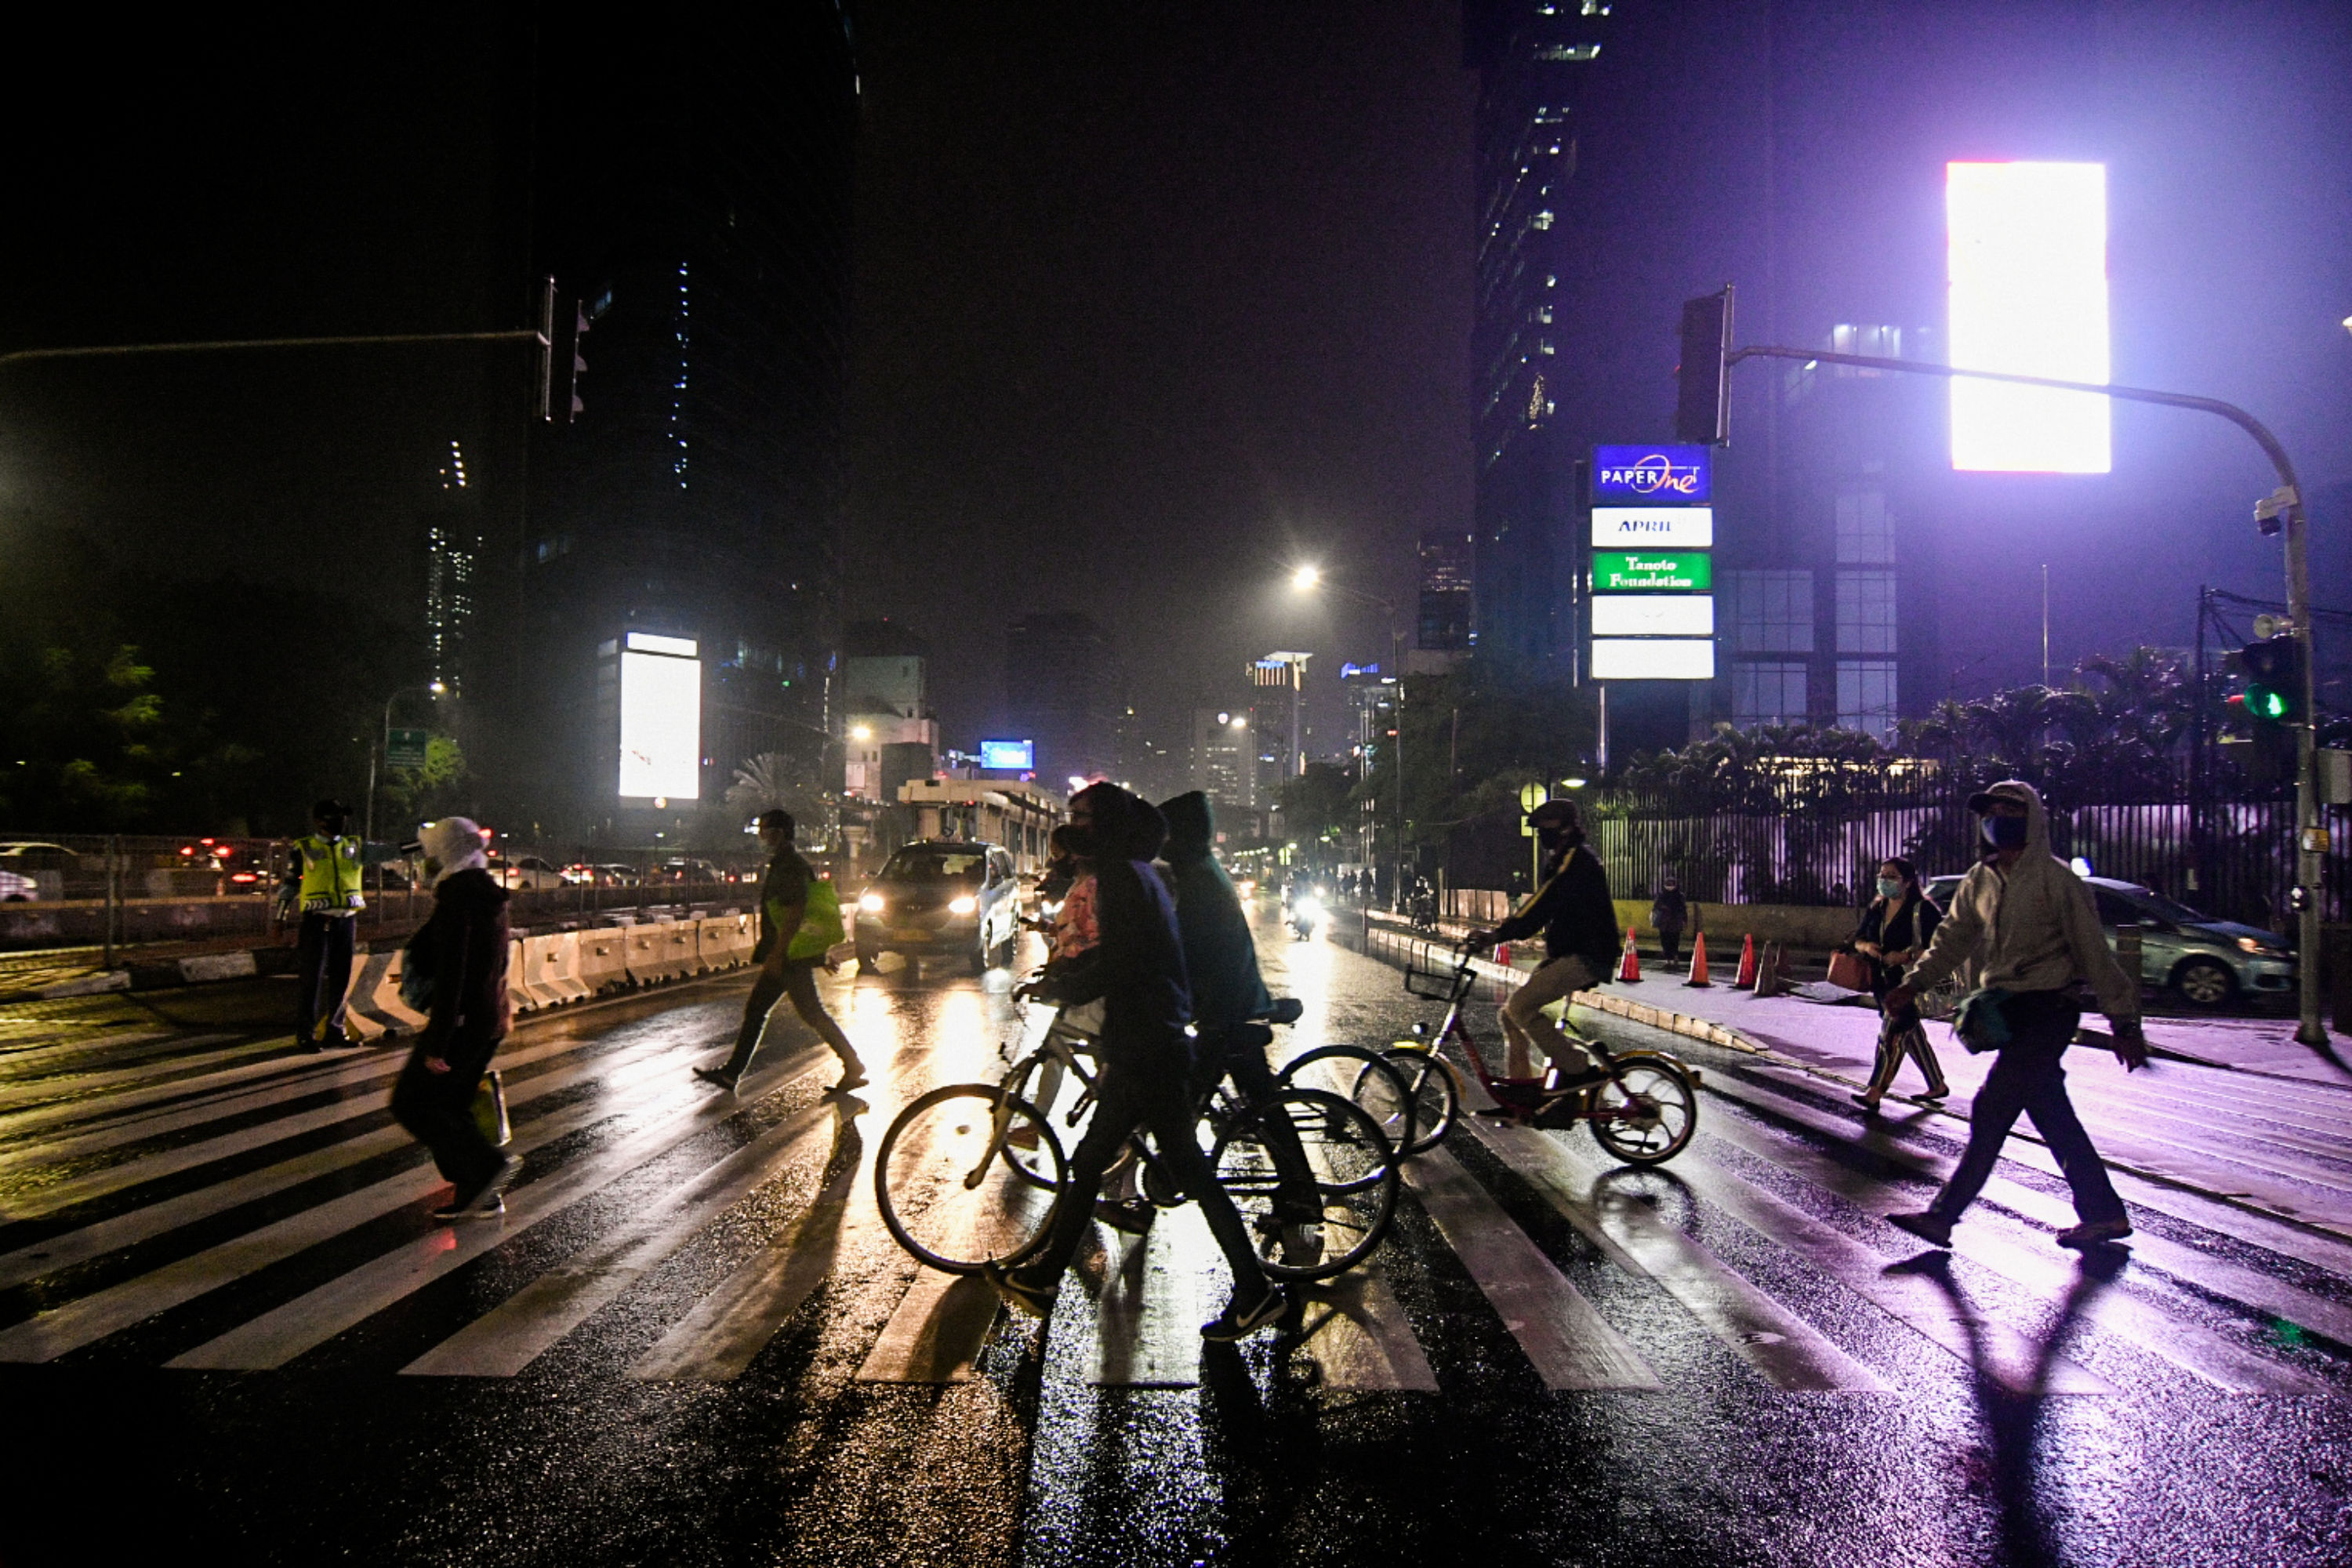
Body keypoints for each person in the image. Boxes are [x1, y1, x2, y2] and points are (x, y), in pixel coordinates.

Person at [984, 782, 1284, 1342]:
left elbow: (1122, 965)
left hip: (1146, 1045)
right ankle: (1045, 1277)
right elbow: (1124, 957)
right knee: (1113, 1161)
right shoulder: (1141, 873)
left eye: (1083, 817)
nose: (1074, 825)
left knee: (1142, 1164)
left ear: (1110, 826)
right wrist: (1068, 978)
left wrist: (1067, 986)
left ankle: (1254, 1290)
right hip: (1150, 1040)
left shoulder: (1124, 878)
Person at [1883, 781, 2148, 1250]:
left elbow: (2093, 953)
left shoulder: (2057, 880)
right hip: (2007, 1008)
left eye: (2009, 809)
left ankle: (1943, 1215)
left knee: (1992, 1108)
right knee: (2052, 1115)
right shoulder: (1979, 880)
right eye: (1991, 810)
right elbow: (1951, 940)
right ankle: (2105, 1214)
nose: (1997, 817)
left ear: (2033, 820)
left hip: (2049, 1009)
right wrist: (1912, 985)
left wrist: (2123, 1022)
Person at [1156, 791, 1319, 1257]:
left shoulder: (1198, 879)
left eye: (1168, 832)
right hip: (1227, 1008)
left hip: (1227, 1014)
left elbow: (1184, 951)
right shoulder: (1198, 872)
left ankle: (1298, 1195)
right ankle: (1298, 1193)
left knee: (1223, 1107)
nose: (1162, 842)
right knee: (1260, 1105)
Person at [390, 817, 519, 1219]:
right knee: (454, 1105)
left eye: (431, 853)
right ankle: (478, 1190)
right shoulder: (486, 893)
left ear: (446, 854)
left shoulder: (457, 899)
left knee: (412, 1103)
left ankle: (486, 1169)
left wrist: (439, 1042)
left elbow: (454, 974)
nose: (425, 862)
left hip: (462, 1024)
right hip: (486, 1018)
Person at [695, 809, 866, 1095]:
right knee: (761, 1010)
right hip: (789, 954)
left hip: (788, 957)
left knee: (808, 1013)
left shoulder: (789, 866)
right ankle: (732, 1073)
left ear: (781, 833)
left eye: (767, 830)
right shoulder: (786, 863)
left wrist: (778, 952)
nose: (762, 835)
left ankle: (852, 1063)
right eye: (761, 829)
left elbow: (797, 911)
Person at [1466, 799, 1621, 1085]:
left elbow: (1542, 904)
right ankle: (1522, 1091)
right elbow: (1540, 914)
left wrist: (1497, 935)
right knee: (1511, 1015)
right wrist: (1505, 933)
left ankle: (1577, 1069)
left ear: (1564, 829)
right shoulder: (1562, 860)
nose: (1541, 838)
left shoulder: (1576, 861)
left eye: (1545, 830)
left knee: (1521, 1007)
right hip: (1570, 954)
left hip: (1588, 955)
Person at [281, 799, 403, 1049]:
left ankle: (335, 1030)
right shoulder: (304, 848)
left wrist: (423, 843)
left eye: (342, 816)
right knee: (311, 980)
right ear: (318, 821)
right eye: (333, 816)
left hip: (346, 922)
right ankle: (306, 1034)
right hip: (316, 922)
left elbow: (389, 851)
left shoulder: (355, 847)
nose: (341, 821)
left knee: (342, 978)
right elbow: (290, 884)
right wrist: (279, 917)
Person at [1849, 857, 1949, 1112]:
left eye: (1891, 876)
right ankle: (1937, 1084)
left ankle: (1875, 1090)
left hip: (1910, 982)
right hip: (1882, 981)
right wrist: (1866, 947)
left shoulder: (1923, 910)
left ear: (1908, 882)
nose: (1884, 881)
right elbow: (1857, 939)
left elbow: (1939, 947)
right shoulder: (1878, 909)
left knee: (1891, 1034)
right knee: (1910, 1032)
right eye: (1882, 875)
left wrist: (1905, 956)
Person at [1650, 873, 1689, 969]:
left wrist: (1684, 920)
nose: (1670, 886)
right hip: (1665, 923)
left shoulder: (1679, 896)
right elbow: (1656, 906)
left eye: (1672, 884)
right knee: (1665, 940)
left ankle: (1674, 956)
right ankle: (1668, 959)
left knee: (1674, 940)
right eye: (1668, 884)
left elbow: (1683, 909)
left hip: (1674, 922)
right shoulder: (1662, 895)